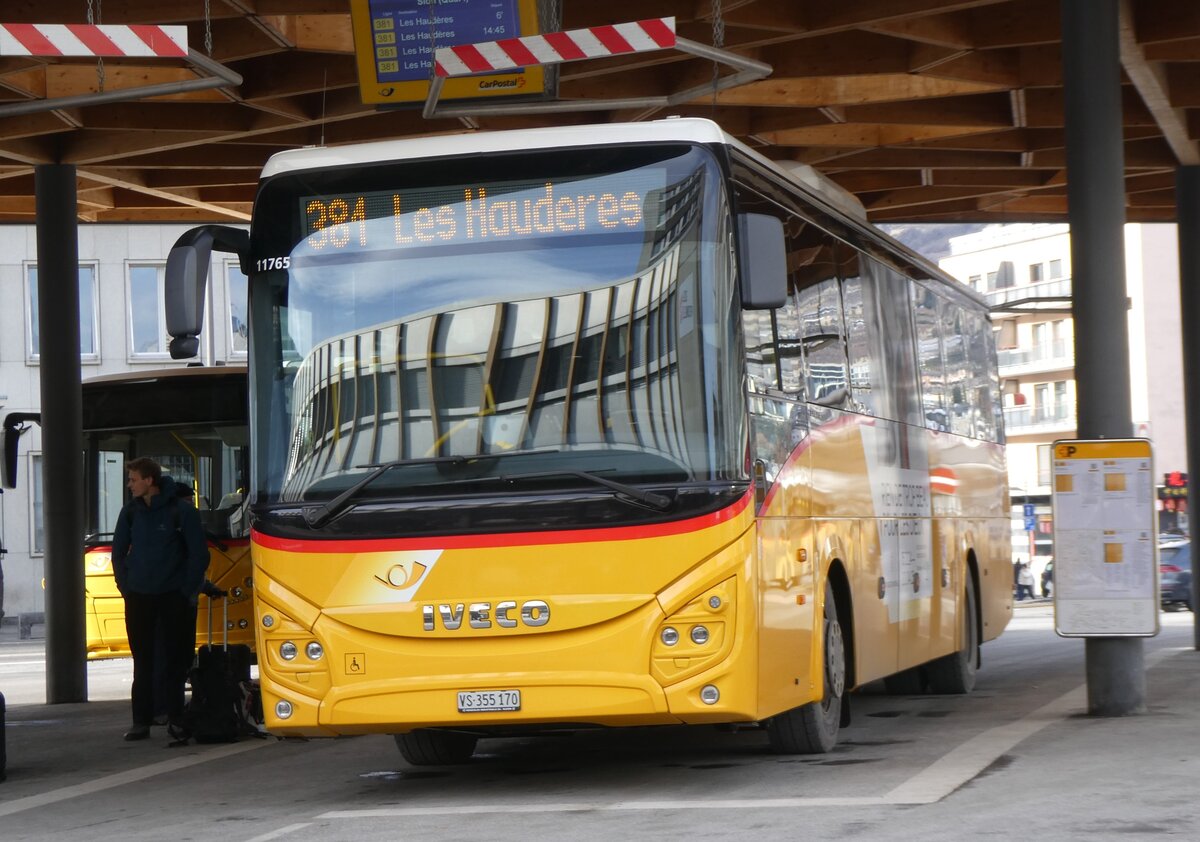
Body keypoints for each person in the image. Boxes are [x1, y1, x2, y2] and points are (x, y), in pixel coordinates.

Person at [111, 458, 209, 742]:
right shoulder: (130, 513)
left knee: (176, 661)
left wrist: (185, 590)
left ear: (149, 480)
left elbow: (199, 555)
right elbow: (118, 553)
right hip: (139, 597)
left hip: (173, 596)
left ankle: (176, 719)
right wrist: (125, 587)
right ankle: (140, 722)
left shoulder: (182, 512)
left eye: (133, 479)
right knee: (142, 661)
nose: (129, 485)